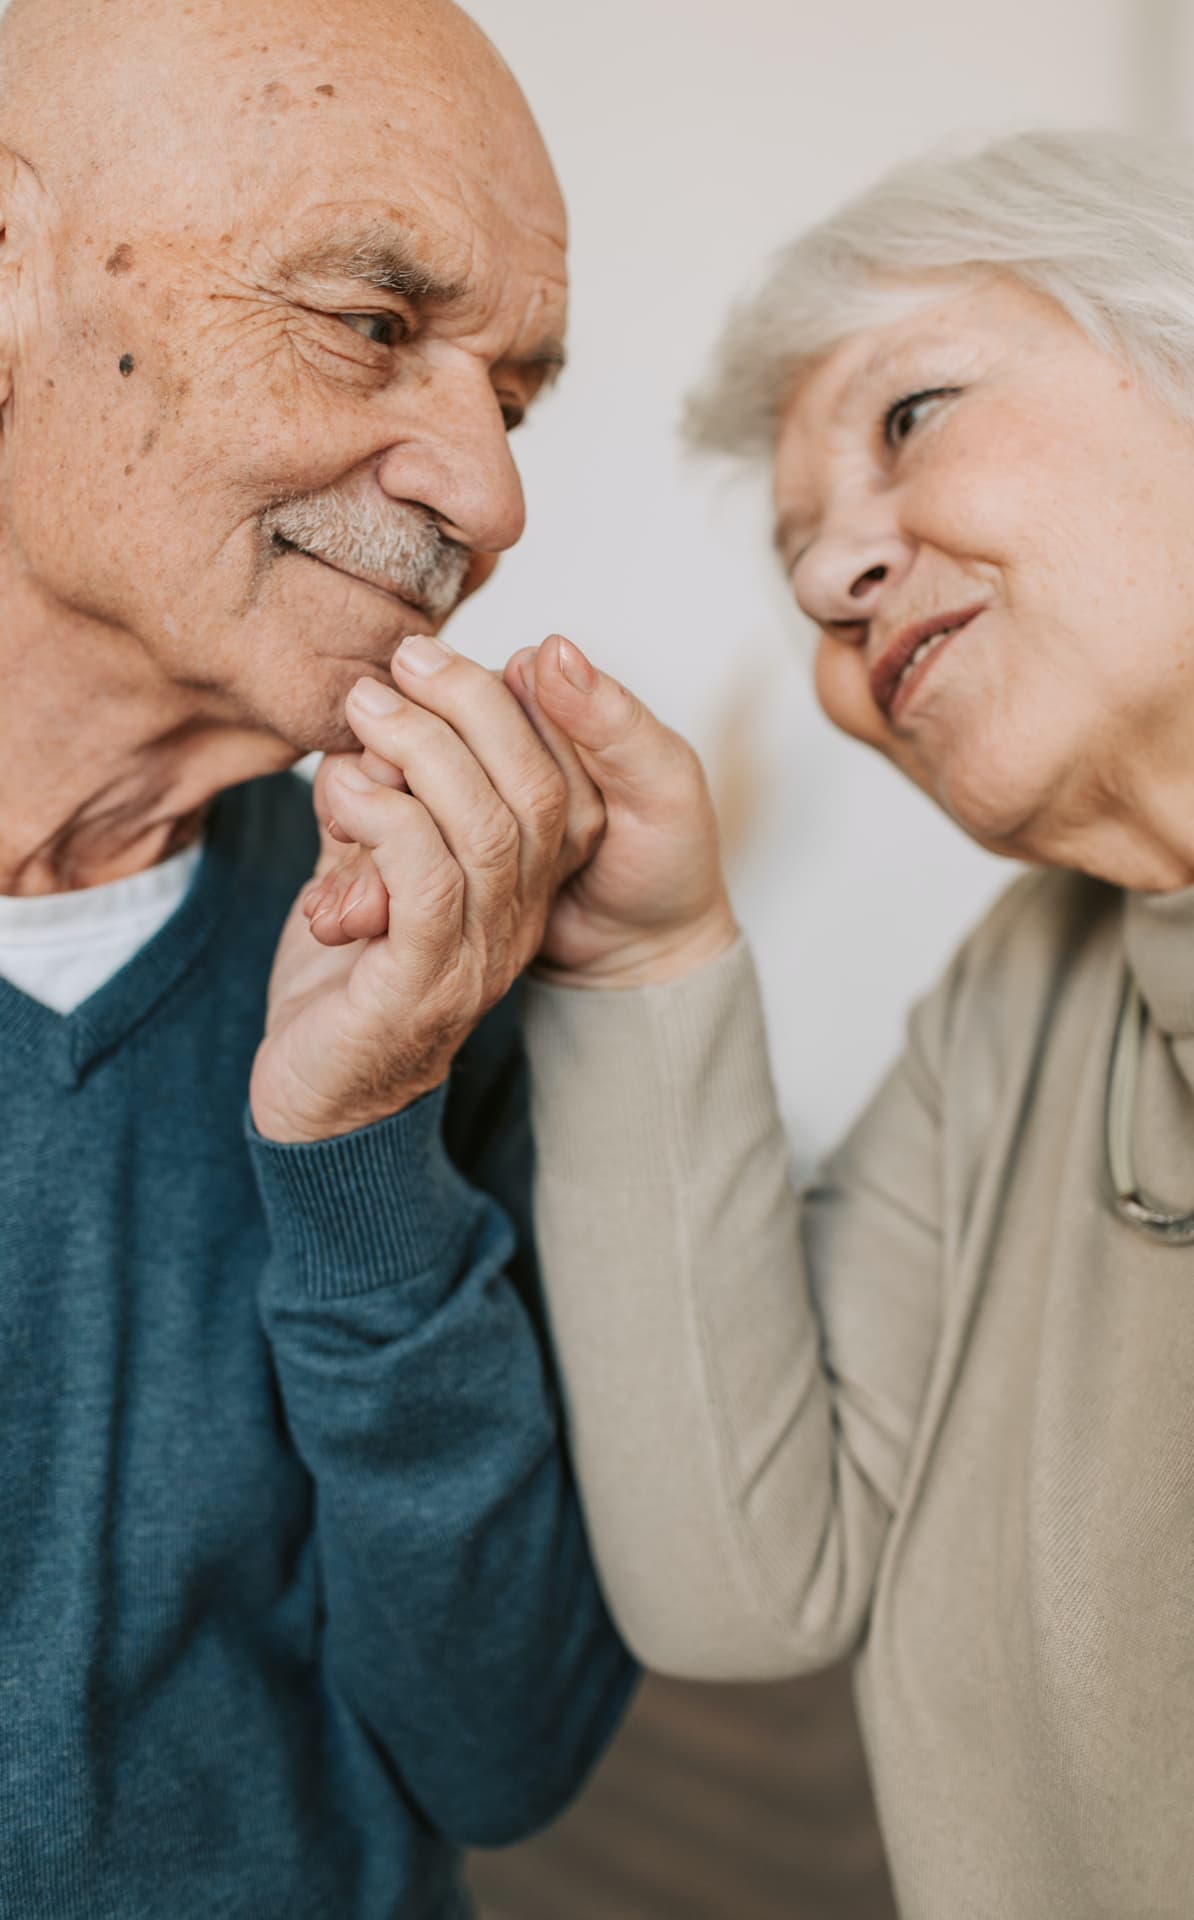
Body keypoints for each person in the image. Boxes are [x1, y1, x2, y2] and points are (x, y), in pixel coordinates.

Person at [0, 0, 694, 1910]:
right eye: (373, 325)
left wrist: (363, 1151)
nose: (490, 496)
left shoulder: (432, 957)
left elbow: (506, 1752)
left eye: (517, 397)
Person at [495, 131, 1194, 1919]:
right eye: (801, 562)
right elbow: (744, 1580)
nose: (826, 587)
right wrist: (643, 965)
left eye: (908, 417)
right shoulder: (1019, 1000)